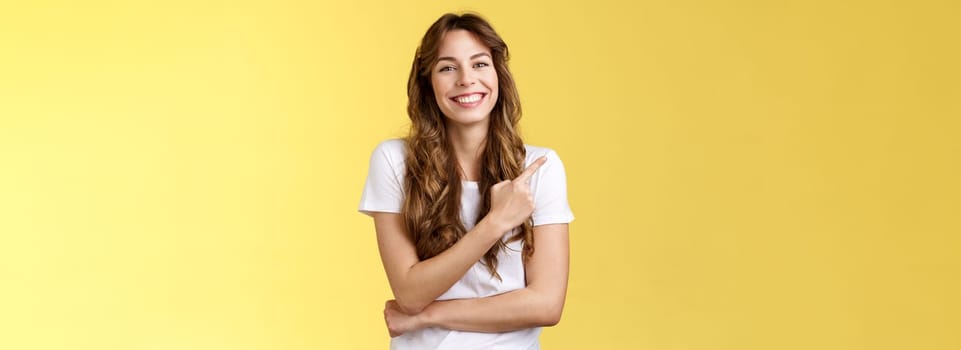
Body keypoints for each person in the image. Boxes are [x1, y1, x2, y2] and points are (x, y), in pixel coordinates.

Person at [358, 12, 574, 350]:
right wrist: (495, 223)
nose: (466, 80)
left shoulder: (539, 167)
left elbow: (546, 304)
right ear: (428, 82)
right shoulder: (394, 161)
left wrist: (428, 316)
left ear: (498, 74)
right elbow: (410, 293)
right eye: (447, 67)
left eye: (479, 64)